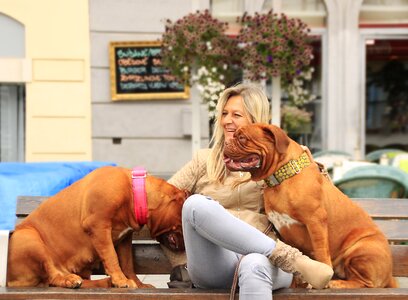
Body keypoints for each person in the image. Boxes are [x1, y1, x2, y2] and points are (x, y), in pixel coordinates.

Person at [164, 83, 333, 299]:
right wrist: (180, 262)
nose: (227, 121)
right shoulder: (203, 161)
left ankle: (284, 258)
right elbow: (161, 205)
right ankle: (291, 259)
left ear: (255, 120)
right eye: (224, 114)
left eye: (236, 115)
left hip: (264, 262)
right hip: (215, 262)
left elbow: (322, 207)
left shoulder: (278, 163)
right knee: (194, 205)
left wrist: (313, 169)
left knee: (254, 263)